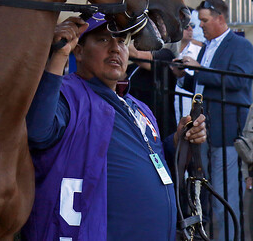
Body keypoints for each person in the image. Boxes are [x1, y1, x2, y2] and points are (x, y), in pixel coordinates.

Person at [23, 13, 207, 240]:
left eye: (121, 41)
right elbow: (38, 133)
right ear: (78, 51)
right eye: (103, 40)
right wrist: (59, 55)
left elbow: (157, 162)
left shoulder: (139, 107)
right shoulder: (66, 93)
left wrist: (179, 140)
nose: (115, 49)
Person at [173, 0, 253, 241]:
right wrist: (182, 76)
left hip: (227, 134)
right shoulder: (208, 46)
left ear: (220, 18)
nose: (201, 26)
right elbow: (204, 84)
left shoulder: (240, 45)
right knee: (207, 196)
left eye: (205, 21)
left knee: (223, 198)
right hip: (207, 134)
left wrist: (199, 70)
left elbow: (239, 81)